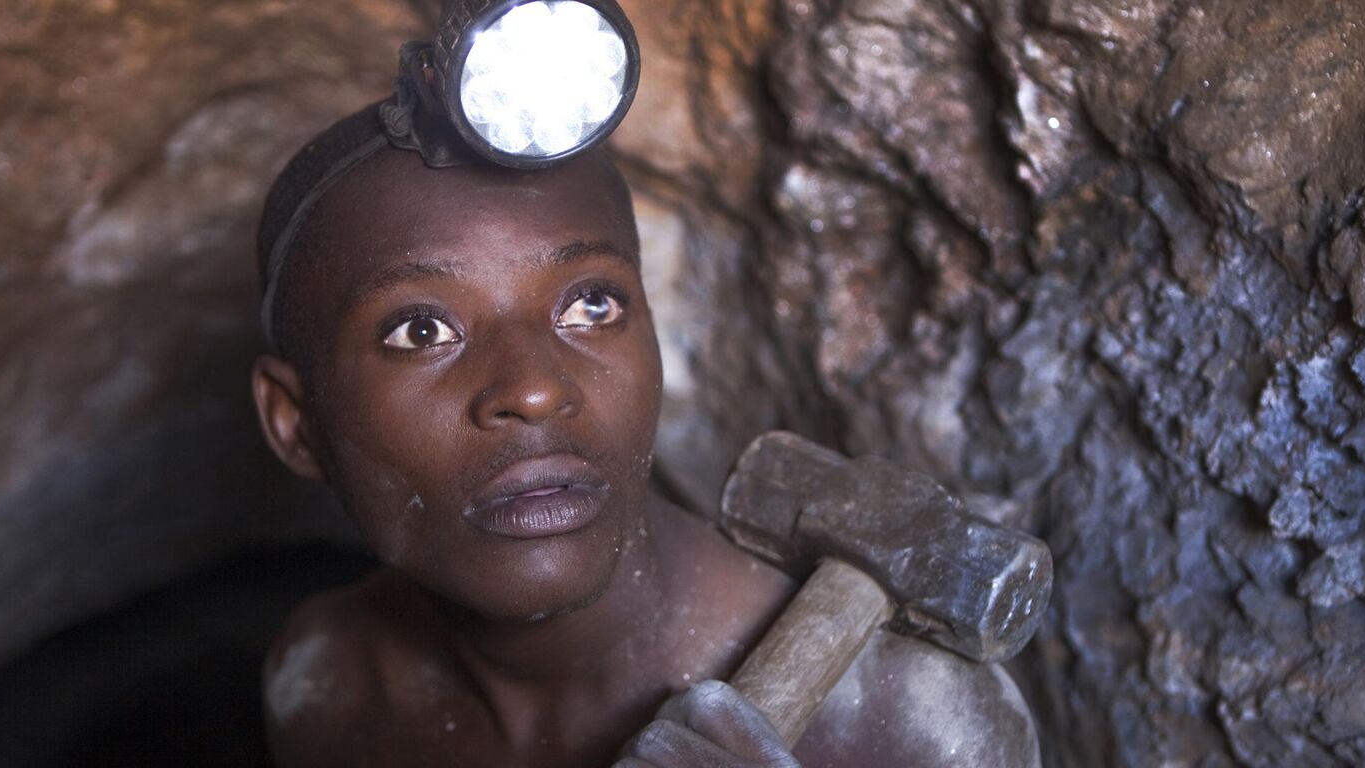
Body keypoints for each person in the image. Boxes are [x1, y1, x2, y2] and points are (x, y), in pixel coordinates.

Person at [248, 95, 1039, 767]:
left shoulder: (906, 726)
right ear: (295, 425)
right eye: (420, 331)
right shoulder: (327, 691)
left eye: (592, 305)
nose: (533, 388)